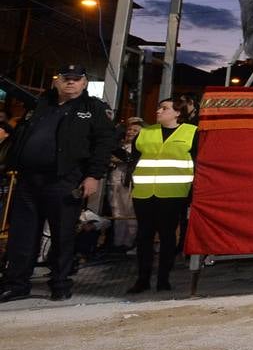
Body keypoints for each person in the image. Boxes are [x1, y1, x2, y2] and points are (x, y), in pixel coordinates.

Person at [0, 65, 115, 302]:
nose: (70, 83)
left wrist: (93, 176)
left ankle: (60, 283)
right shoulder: (42, 104)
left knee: (62, 235)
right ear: (57, 82)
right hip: (28, 180)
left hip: (64, 181)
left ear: (84, 83)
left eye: (76, 79)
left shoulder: (92, 108)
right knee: (22, 234)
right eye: (66, 79)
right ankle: (16, 283)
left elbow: (104, 144)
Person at [128, 99, 198, 293]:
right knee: (144, 237)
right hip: (144, 193)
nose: (158, 111)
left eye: (164, 108)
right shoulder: (145, 133)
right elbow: (134, 159)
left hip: (174, 194)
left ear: (178, 113)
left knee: (167, 237)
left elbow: (198, 163)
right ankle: (142, 280)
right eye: (158, 107)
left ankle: (163, 279)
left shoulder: (192, 133)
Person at [105, 117, 143, 251]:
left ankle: (129, 242)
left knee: (130, 213)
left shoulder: (140, 148)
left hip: (130, 184)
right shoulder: (118, 145)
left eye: (135, 130)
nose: (131, 132)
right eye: (130, 129)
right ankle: (118, 242)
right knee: (117, 213)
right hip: (114, 182)